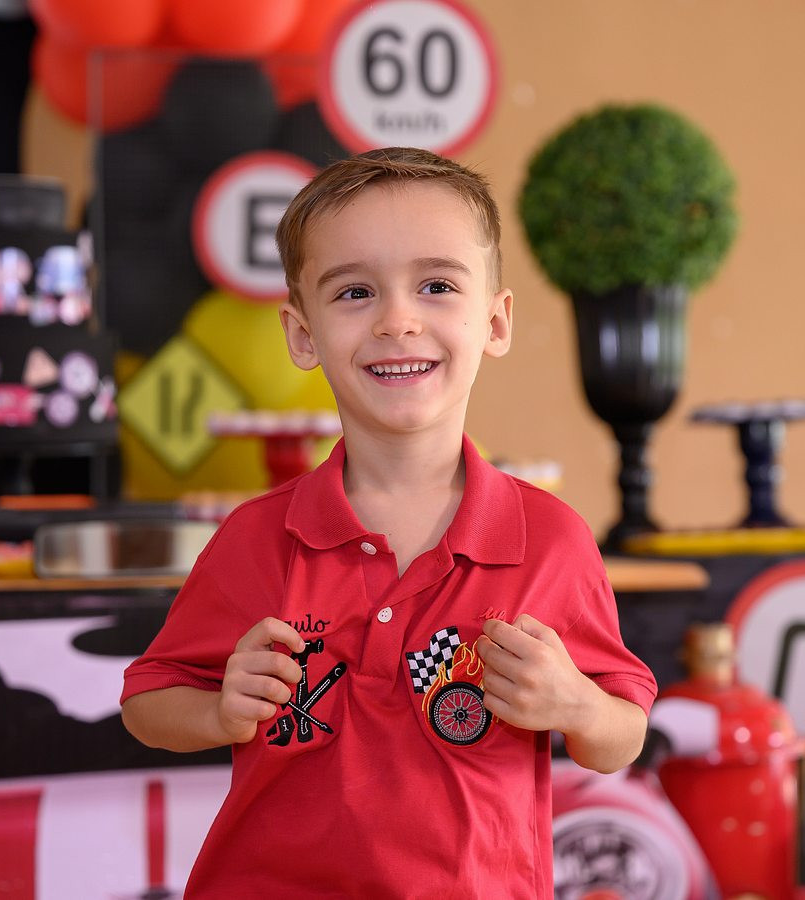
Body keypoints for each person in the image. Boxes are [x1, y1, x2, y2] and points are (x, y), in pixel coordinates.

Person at [120, 147, 657, 898]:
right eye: (355, 292)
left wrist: (575, 706)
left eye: (436, 285)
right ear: (302, 335)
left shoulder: (552, 540)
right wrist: (217, 711)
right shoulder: (256, 537)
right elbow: (147, 703)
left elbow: (620, 736)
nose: (397, 321)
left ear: (495, 321)